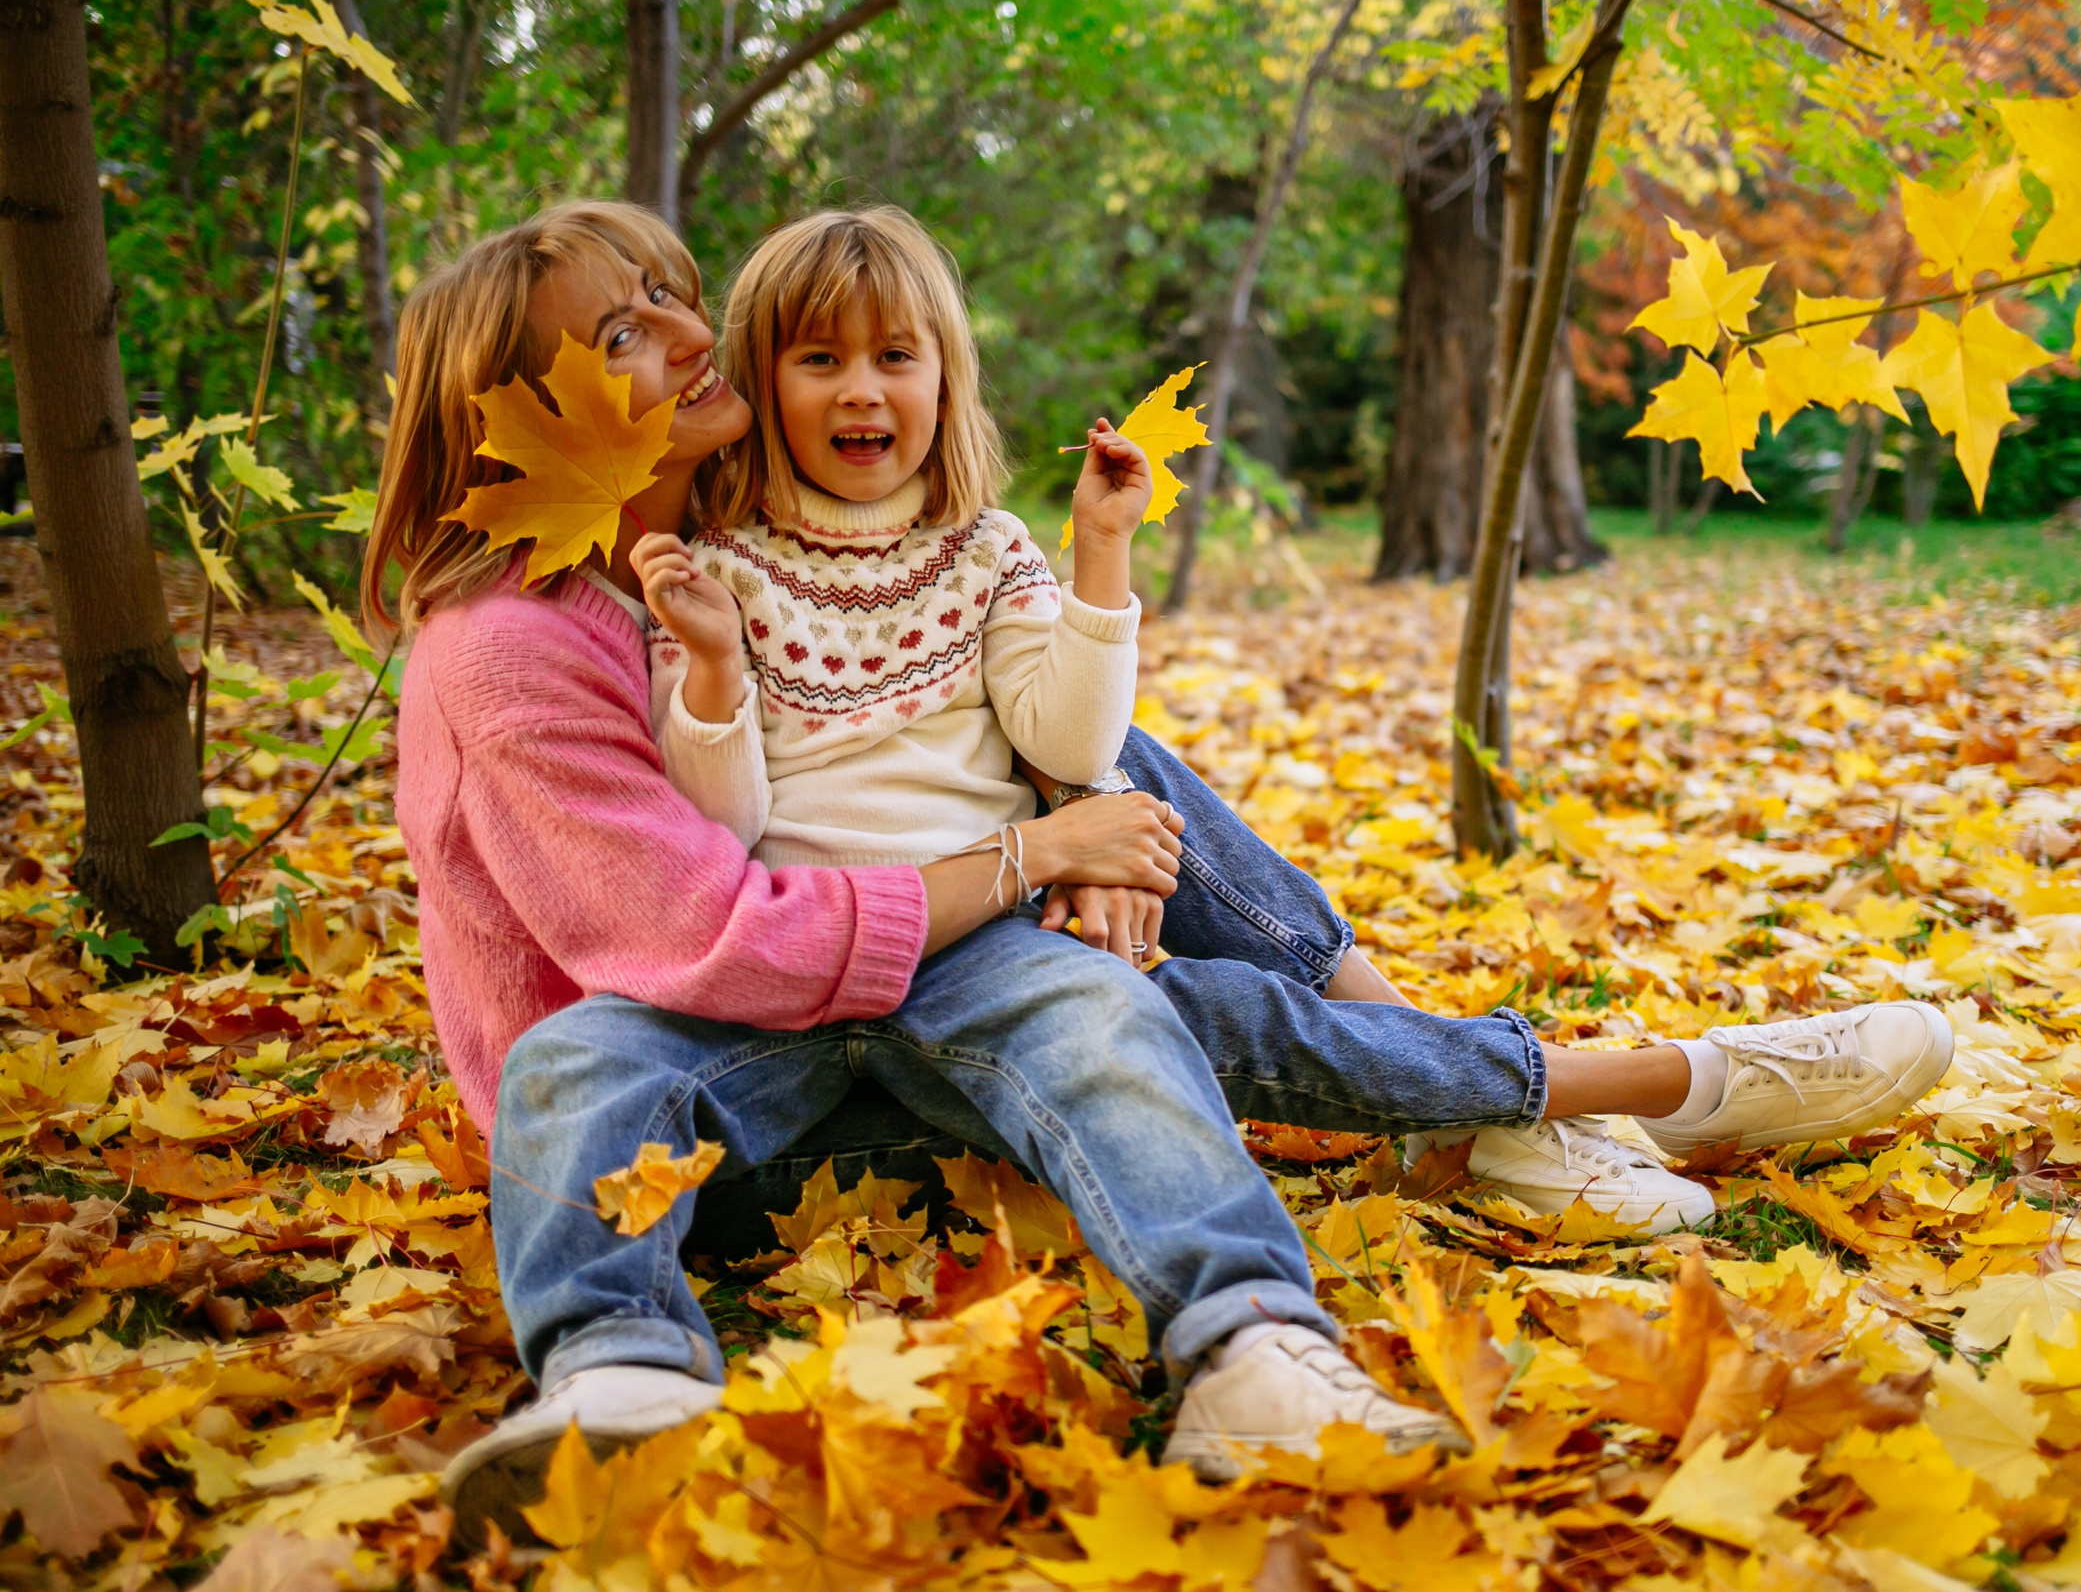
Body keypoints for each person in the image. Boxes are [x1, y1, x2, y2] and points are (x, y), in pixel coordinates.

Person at [365, 201, 1953, 1537]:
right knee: (1149, 1008)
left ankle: (1257, 1340)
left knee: (1124, 893)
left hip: (894, 981)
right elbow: (717, 922)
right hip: (701, 1083)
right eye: (630, 331)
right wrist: (1039, 850)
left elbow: (951, 698)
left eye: (678, 300)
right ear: (510, 410)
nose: (687, 332)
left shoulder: (700, 541)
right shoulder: (522, 640)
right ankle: (616, 1375)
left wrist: (1080, 795)